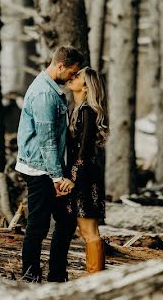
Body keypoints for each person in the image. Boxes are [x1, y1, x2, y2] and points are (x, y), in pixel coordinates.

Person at [17, 45, 85, 282]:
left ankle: (56, 276)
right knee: (38, 225)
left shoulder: (50, 89)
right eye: (72, 72)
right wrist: (57, 177)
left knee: (65, 222)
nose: (73, 77)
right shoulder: (45, 95)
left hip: (49, 168)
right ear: (60, 66)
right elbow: (47, 141)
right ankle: (30, 277)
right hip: (40, 169)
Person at [63, 67, 108, 274]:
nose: (73, 77)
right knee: (86, 230)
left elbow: (83, 150)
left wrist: (73, 178)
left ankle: (95, 279)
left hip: (85, 178)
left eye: (78, 76)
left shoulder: (87, 112)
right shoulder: (77, 110)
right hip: (81, 175)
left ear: (87, 87)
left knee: (89, 231)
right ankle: (94, 276)